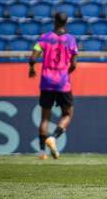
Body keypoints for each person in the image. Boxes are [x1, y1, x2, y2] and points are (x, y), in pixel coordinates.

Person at [29, 12, 78, 160]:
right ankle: (54, 137)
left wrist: (32, 68)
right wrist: (66, 72)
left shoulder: (45, 37)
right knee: (68, 114)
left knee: (45, 116)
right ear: (66, 22)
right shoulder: (70, 40)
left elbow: (33, 57)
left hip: (46, 82)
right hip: (62, 82)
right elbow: (74, 64)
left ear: (55, 21)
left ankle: (42, 152)